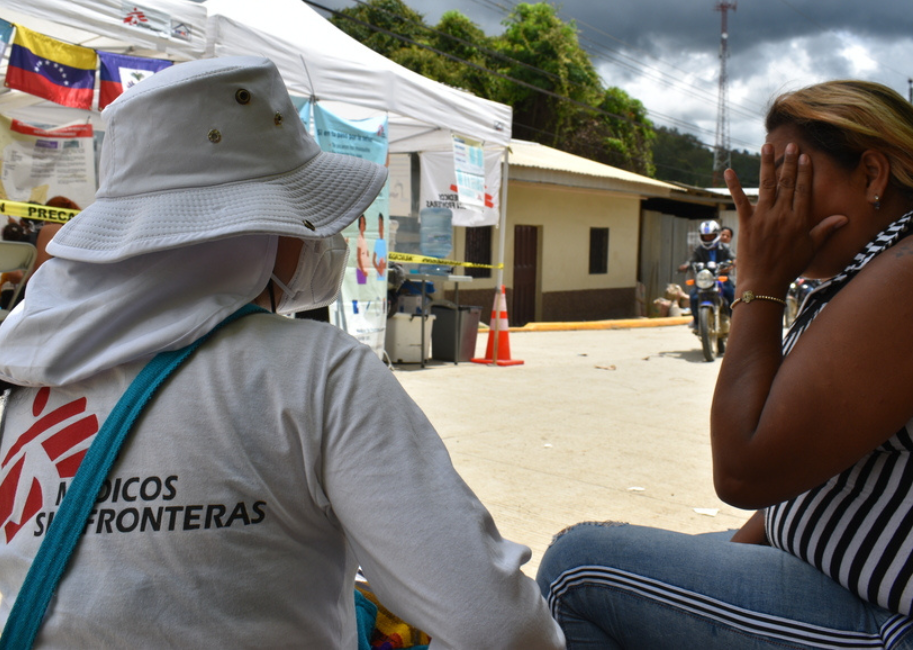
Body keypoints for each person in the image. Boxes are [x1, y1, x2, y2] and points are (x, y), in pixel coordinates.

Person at [0, 57, 565, 649]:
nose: (319, 233)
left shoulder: (24, 376)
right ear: (258, 232)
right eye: (300, 210)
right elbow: (503, 629)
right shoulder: (318, 374)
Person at [537, 80, 913, 649]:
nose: (773, 209)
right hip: (834, 581)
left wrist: (759, 284)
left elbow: (745, 471)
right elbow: (811, 466)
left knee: (578, 569)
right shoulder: (881, 266)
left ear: (873, 175)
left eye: (790, 182)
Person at [678, 220, 735, 329]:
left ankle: (734, 321)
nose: (708, 238)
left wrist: (734, 262)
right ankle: (697, 321)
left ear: (716, 235)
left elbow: (733, 257)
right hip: (705, 279)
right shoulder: (699, 249)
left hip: (722, 278)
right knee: (694, 296)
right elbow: (691, 260)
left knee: (731, 293)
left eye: (711, 236)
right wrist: (686, 265)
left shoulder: (724, 248)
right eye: (706, 236)